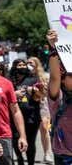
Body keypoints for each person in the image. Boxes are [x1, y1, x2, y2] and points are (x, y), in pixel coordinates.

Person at [9, 59, 43, 165]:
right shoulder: (9, 82)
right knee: (16, 141)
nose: (23, 66)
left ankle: (31, 162)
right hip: (14, 117)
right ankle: (20, 161)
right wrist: (14, 94)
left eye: (24, 65)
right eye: (19, 65)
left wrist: (35, 91)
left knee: (30, 143)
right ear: (14, 67)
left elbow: (40, 97)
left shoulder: (33, 80)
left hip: (31, 117)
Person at [45, 30, 71, 165]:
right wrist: (53, 47)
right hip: (65, 157)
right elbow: (54, 77)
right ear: (63, 79)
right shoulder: (58, 99)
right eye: (71, 75)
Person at [27, 56, 53, 164]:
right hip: (30, 106)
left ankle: (48, 153)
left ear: (37, 64)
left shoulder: (45, 76)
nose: (29, 65)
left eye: (31, 63)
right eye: (27, 63)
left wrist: (42, 89)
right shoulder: (26, 77)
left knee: (44, 128)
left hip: (43, 105)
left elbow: (51, 92)